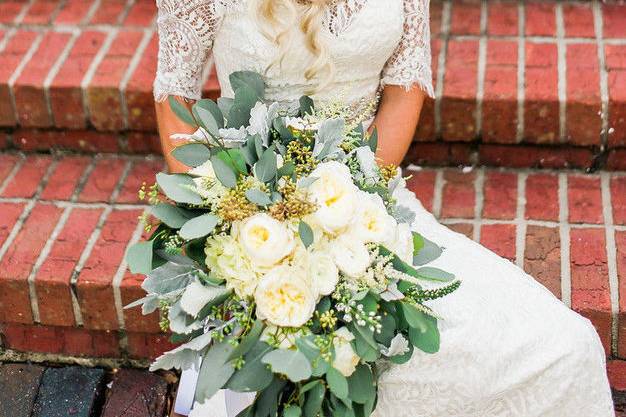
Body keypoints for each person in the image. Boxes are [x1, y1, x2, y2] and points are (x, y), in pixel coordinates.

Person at [153, 1, 615, 416]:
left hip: (366, 205)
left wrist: (348, 203)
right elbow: (176, 95)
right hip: (251, 217)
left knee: (562, 348)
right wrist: (224, 210)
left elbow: (402, 89)